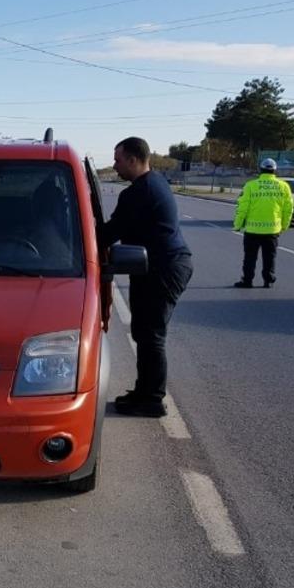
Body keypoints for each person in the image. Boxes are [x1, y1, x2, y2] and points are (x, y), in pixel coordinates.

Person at [98, 136, 193, 418]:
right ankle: (143, 392)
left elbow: (108, 234)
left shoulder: (139, 192)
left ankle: (152, 400)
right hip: (157, 266)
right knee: (143, 332)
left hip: (164, 269)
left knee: (151, 335)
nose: (115, 166)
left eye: (118, 160)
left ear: (132, 160)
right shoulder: (154, 182)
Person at [232, 157, 294, 288]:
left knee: (249, 257)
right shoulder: (284, 186)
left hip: (252, 230)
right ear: (275, 171)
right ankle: (268, 281)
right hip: (272, 230)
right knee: (270, 257)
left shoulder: (250, 185)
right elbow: (288, 209)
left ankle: (247, 281)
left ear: (260, 170)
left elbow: (242, 208)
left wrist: (237, 225)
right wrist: (284, 225)